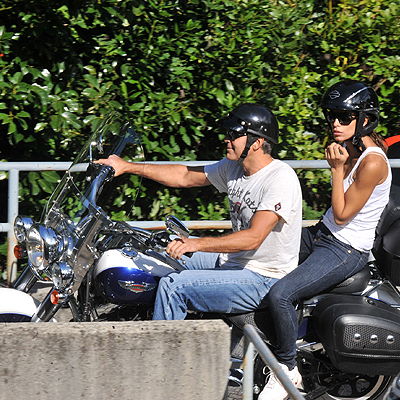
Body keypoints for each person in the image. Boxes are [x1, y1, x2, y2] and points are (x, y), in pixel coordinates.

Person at [96, 103, 302, 321]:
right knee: (158, 255)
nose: (227, 139)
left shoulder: (280, 178)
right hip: (234, 260)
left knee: (174, 287)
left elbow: (253, 238)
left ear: (257, 142)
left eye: (234, 134)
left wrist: (195, 243)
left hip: (264, 277)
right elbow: (184, 176)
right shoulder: (233, 168)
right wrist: (127, 166)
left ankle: (162, 354)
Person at [260, 80, 392, 400]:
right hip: (323, 233)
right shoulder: (355, 147)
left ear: (364, 119)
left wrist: (336, 169)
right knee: (255, 249)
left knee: (281, 294)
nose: (335, 123)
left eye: (344, 117)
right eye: (332, 115)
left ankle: (285, 371)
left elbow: (344, 213)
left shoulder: (372, 160)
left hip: (345, 249)